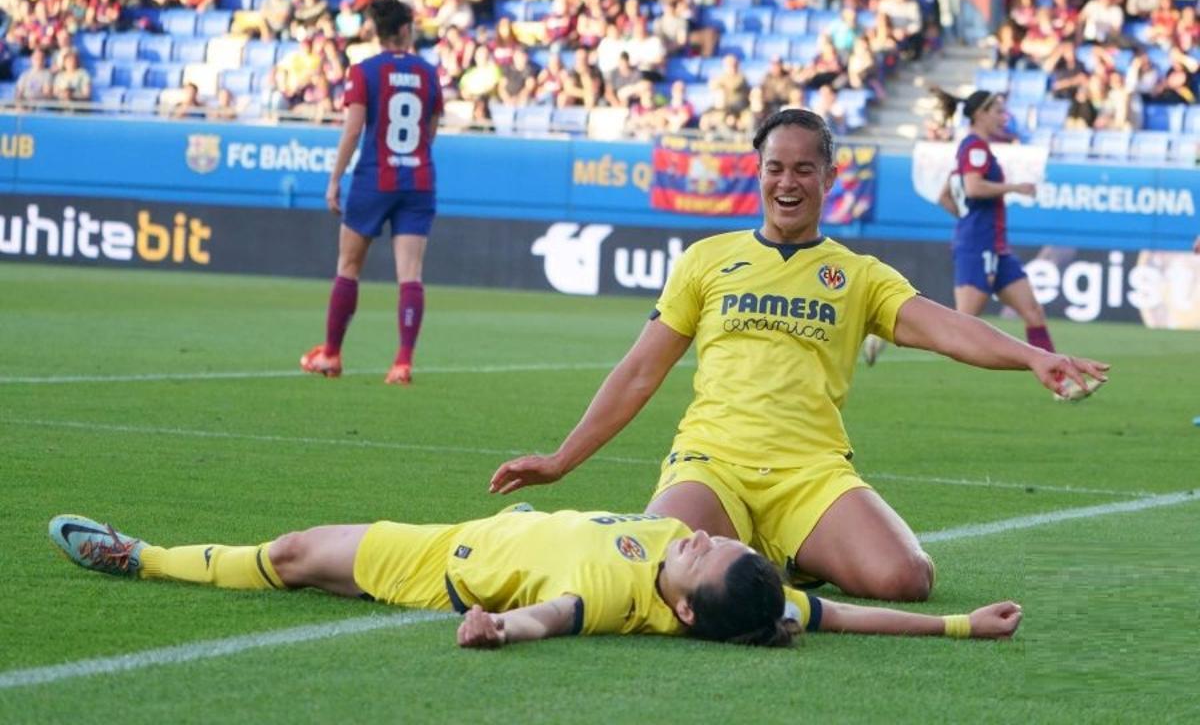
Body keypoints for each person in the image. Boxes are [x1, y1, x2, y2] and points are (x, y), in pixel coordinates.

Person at [490, 109, 1109, 603]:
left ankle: (780, 554)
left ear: (830, 176)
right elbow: (639, 373)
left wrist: (1032, 357)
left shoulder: (858, 274)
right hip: (712, 463)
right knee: (659, 567)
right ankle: (765, 558)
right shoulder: (707, 261)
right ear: (757, 173)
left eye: (804, 170)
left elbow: (945, 328)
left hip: (810, 472)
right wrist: (561, 460)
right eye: (775, 168)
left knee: (906, 579)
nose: (788, 183)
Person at [49, 510, 1024, 649]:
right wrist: (956, 627)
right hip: (475, 532)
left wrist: (499, 630)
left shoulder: (620, 594)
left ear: (681, 605)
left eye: (698, 551)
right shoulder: (738, 590)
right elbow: (836, 611)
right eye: (711, 537)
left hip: (437, 559)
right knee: (311, 568)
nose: (695, 533)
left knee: (298, 553)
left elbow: (558, 614)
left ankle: (141, 557)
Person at [301, 0, 442, 386]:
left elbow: (352, 130)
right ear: (404, 30)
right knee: (410, 274)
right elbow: (430, 131)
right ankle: (402, 363)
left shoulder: (365, 71)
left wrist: (334, 179)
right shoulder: (428, 73)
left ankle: (330, 354)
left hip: (373, 178)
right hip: (417, 180)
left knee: (348, 268)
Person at [934, 90, 1060, 358]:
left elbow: (945, 196)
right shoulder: (975, 148)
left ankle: (1058, 378)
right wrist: (1015, 187)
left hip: (994, 245)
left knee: (1033, 312)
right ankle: (888, 335)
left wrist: (968, 218)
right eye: (998, 111)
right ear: (981, 114)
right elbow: (973, 187)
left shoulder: (970, 148)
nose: (1003, 117)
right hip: (980, 243)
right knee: (963, 322)